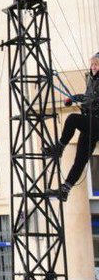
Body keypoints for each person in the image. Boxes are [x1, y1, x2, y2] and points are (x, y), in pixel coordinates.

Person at [48, 52, 99, 199]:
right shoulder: (91, 79)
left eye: (96, 64)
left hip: (96, 122)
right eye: (92, 64)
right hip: (90, 122)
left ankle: (60, 147)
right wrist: (72, 99)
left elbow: (92, 98)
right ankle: (65, 189)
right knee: (80, 160)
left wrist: (77, 99)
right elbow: (87, 96)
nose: (93, 67)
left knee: (72, 119)